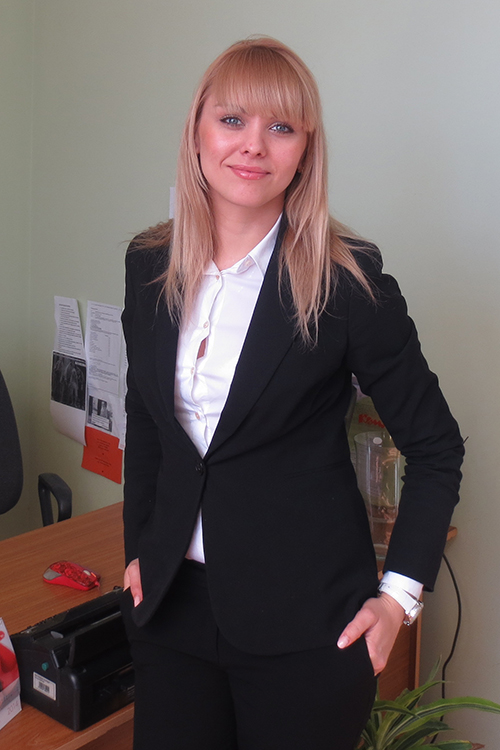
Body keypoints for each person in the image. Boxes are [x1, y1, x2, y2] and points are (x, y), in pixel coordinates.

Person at [120, 37, 464, 750]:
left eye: (280, 127)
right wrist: (138, 550)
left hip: (307, 629)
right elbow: (147, 421)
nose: (253, 145)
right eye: (232, 120)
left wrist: (398, 600)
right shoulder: (150, 263)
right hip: (171, 611)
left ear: (305, 150)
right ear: (197, 131)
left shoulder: (347, 283)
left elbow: (437, 448)